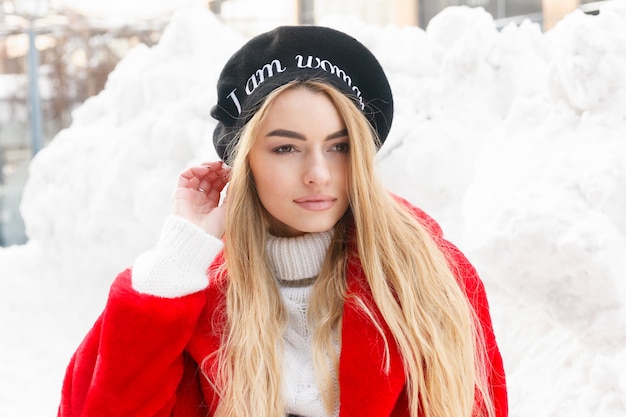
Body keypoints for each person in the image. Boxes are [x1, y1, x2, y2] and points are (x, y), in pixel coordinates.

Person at [58, 26, 507, 417]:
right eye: (286, 148)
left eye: (340, 145)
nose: (319, 173)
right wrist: (178, 259)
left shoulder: (428, 278)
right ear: (245, 160)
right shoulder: (197, 297)